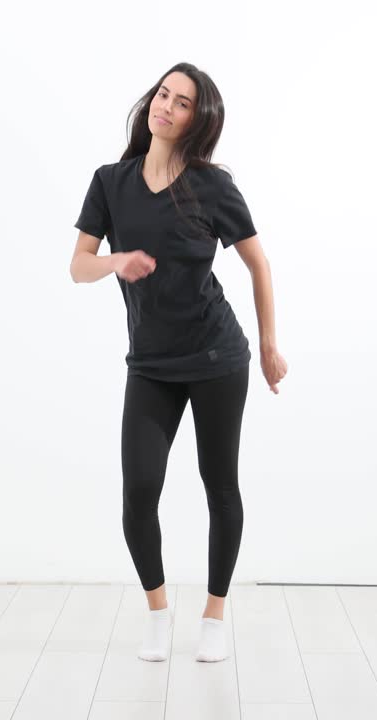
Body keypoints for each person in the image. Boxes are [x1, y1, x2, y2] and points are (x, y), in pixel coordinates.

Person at [69, 62, 287, 663]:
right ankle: (158, 611)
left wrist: (268, 346)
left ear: (198, 119)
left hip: (218, 356)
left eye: (182, 101)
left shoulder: (213, 186)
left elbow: (258, 264)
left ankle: (215, 615)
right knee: (139, 490)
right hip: (151, 365)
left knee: (220, 485)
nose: (165, 105)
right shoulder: (110, 182)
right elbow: (78, 264)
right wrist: (116, 261)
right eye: (162, 93)